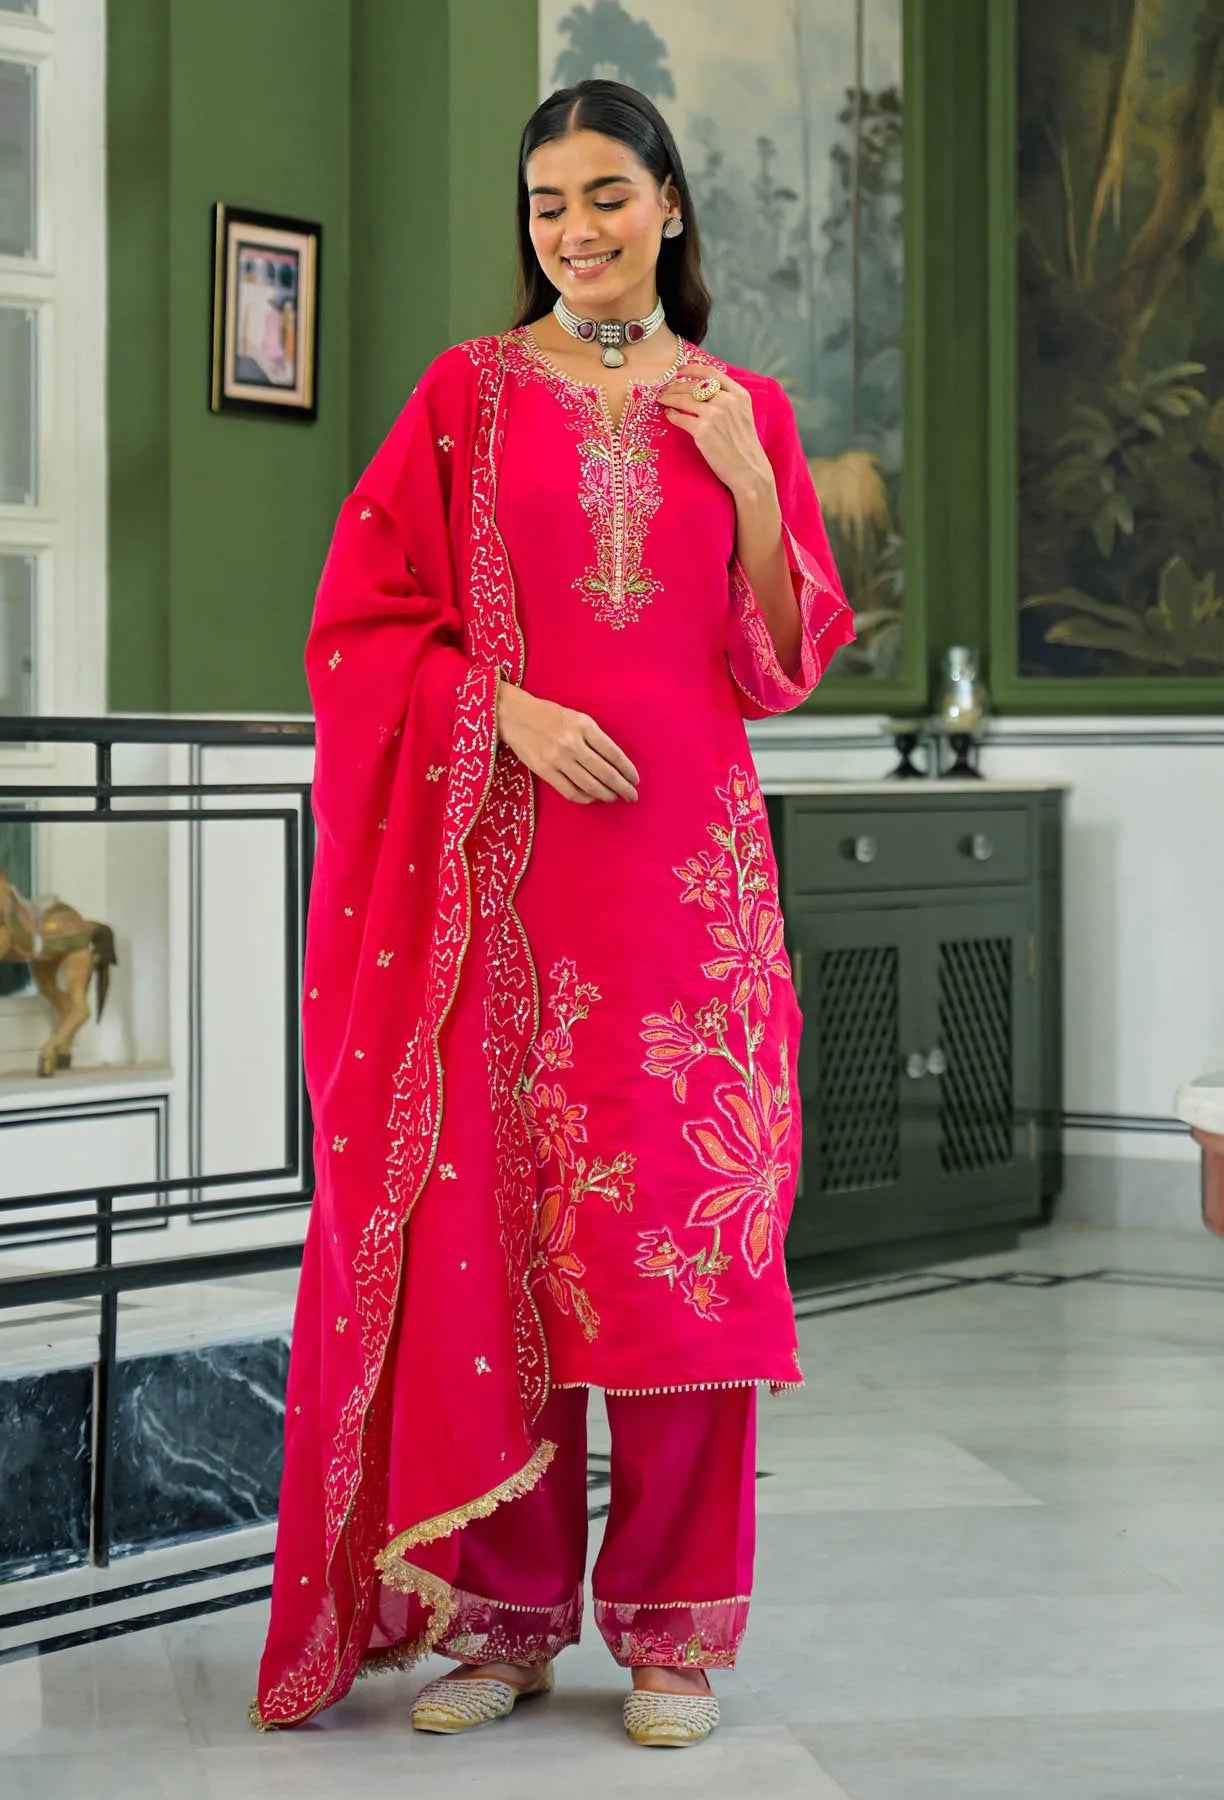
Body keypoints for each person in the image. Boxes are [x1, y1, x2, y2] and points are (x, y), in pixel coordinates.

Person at [252, 78, 852, 1749]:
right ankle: (503, 1618)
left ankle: (672, 1634)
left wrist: (739, 470)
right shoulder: (467, 396)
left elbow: (783, 658)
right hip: (500, 889)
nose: (574, 231)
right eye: (545, 205)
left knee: (679, 1250)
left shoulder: (747, 407)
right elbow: (360, 623)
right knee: (490, 1231)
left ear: (668, 202)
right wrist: (496, 710)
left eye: (604, 195)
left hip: (687, 892)